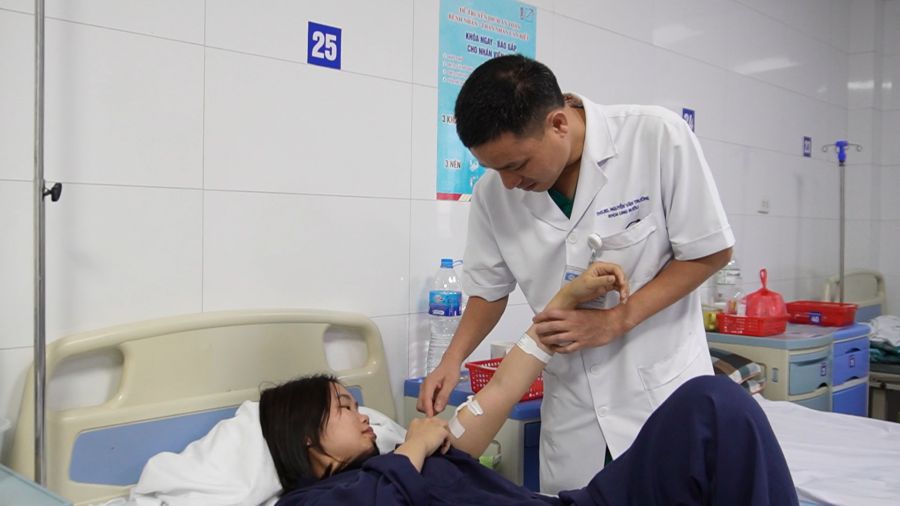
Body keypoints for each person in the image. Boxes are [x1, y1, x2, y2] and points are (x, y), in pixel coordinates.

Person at [418, 54, 735, 492]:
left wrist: (615, 320)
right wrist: (451, 361)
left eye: (516, 165)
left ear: (558, 124)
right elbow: (488, 291)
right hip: (573, 411)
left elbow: (710, 251)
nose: (508, 183)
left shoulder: (655, 137)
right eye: (495, 169)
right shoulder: (494, 194)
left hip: (660, 393)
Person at [259, 266, 796, 505]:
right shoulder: (313, 501)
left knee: (712, 402)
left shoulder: (409, 455)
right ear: (307, 438)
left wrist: (560, 306)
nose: (362, 415)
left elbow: (498, 393)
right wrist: (413, 450)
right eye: (345, 407)